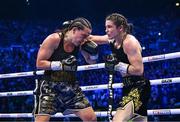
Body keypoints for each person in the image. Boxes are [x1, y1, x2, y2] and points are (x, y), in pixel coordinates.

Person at [88, 13, 151, 122]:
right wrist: (71, 35)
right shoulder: (112, 39)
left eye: (109, 27)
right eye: (105, 27)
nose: (106, 30)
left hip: (138, 86)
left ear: (120, 28)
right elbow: (93, 38)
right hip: (127, 86)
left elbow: (138, 70)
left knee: (117, 120)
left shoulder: (129, 42)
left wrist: (117, 65)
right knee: (139, 120)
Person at [34, 17, 97, 122]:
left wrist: (94, 53)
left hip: (70, 87)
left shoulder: (80, 42)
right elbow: (39, 63)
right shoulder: (54, 39)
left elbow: (91, 62)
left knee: (91, 118)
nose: (86, 39)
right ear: (74, 30)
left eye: (87, 36)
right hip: (50, 86)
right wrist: (61, 65)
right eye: (84, 36)